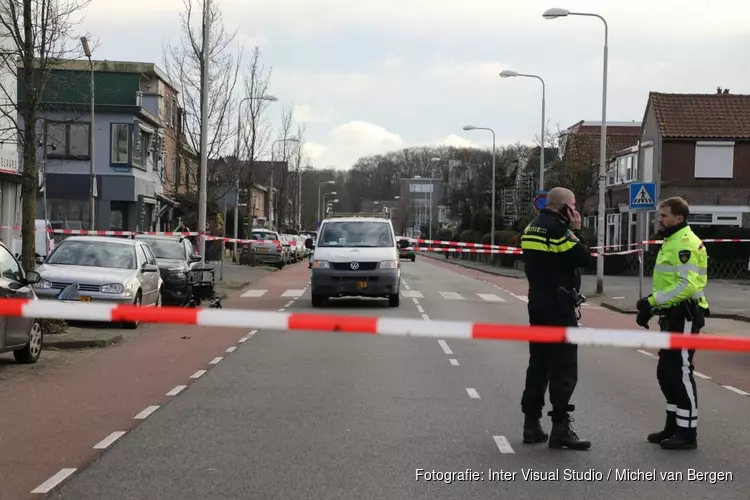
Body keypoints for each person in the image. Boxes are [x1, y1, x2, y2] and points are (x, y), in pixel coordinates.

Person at [519, 186, 592, 450]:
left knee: (538, 364)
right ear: (564, 206)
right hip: (559, 306)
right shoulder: (561, 231)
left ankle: (531, 424)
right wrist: (579, 230)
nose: (575, 210)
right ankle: (560, 427)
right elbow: (583, 257)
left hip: (537, 303)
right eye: (573, 205)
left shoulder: (532, 228)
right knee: (563, 367)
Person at [635, 196, 709, 450]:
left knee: (680, 371)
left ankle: (687, 432)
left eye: (664, 216)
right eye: (659, 215)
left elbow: (686, 286)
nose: (659, 220)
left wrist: (650, 301)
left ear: (679, 218)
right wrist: (652, 307)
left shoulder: (684, 244)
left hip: (685, 316)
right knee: (667, 372)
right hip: (672, 315)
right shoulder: (672, 241)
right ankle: (673, 425)